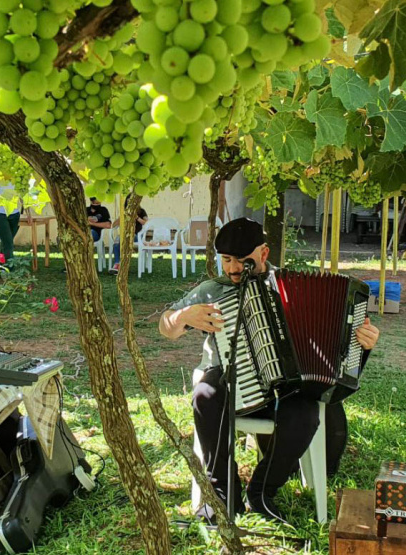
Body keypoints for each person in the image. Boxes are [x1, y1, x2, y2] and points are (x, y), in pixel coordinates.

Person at [157, 217, 380, 523]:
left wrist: (362, 341)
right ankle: (222, 495)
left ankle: (262, 491)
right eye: (226, 261)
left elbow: (339, 342)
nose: (233, 269)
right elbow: (166, 327)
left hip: (285, 386)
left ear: (263, 253)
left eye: (242, 260)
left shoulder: (288, 286)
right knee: (205, 396)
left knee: (305, 414)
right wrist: (183, 315)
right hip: (227, 378)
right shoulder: (212, 289)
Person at [108, 194, 148, 275]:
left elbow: (146, 223)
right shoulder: (124, 211)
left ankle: (120, 266)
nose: (130, 203)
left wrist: (136, 217)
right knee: (116, 243)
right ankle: (117, 264)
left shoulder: (141, 211)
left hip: (136, 235)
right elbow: (114, 225)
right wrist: (121, 217)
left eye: (132, 201)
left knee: (123, 240)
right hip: (123, 234)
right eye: (128, 201)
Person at [0, 183, 21, 260]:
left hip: (14, 215)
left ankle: (0, 264)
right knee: (8, 243)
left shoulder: (18, 177)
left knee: (6, 242)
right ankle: (10, 266)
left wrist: (29, 214)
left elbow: (23, 196)